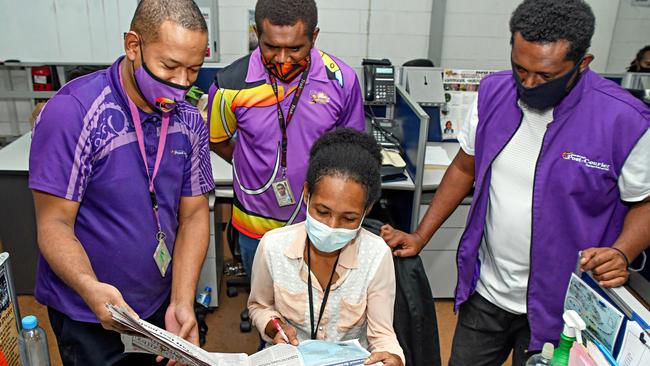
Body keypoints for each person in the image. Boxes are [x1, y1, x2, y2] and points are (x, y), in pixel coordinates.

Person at [380, 0, 650, 364]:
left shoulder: (625, 121)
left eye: (545, 76)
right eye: (519, 68)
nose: (528, 83)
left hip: (564, 308)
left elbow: (644, 202)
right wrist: (420, 235)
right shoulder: (493, 94)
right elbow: (464, 168)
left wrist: (622, 252)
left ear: (583, 64)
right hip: (486, 294)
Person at [28, 0, 214, 364]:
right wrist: (89, 286)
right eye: (170, 66)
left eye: (193, 70)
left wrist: (181, 299)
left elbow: (193, 215)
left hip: (159, 303)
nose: (181, 84)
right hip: (88, 310)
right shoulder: (75, 113)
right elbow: (54, 223)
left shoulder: (190, 120)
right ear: (133, 46)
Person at [207, 0, 364, 279]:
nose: (282, 58)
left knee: (313, 307)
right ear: (257, 33)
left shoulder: (341, 81)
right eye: (270, 47)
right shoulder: (229, 84)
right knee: (263, 307)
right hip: (254, 224)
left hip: (317, 226)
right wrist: (252, 163)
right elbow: (217, 139)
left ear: (313, 37)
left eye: (295, 48)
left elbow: (351, 155)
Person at [248, 129, 404, 366]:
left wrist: (394, 359)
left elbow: (382, 335)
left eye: (349, 218)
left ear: (367, 210)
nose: (332, 227)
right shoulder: (273, 247)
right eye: (322, 212)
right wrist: (273, 327)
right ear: (307, 194)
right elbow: (259, 305)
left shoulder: (376, 255)